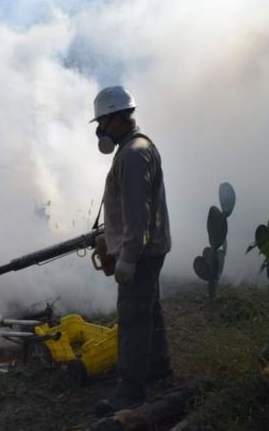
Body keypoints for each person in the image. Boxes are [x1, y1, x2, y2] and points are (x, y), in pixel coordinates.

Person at [91, 86, 173, 415]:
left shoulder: (132, 155)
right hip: (148, 248)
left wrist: (127, 258)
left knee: (133, 319)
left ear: (116, 118)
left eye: (102, 121)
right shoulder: (136, 147)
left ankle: (130, 393)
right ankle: (158, 367)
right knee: (149, 309)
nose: (99, 130)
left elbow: (138, 215)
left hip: (141, 251)